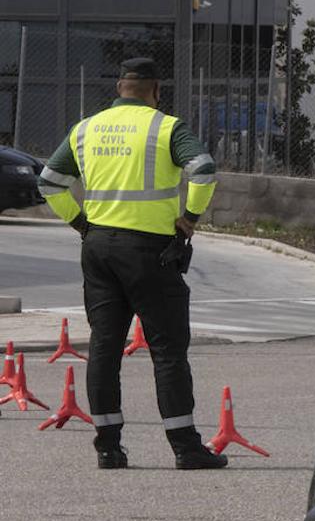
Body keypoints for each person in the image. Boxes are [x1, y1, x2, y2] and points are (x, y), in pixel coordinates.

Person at [37, 57, 227, 470]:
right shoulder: (166, 126)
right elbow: (204, 170)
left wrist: (80, 222)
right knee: (168, 350)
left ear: (120, 88)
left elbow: (48, 181)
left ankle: (108, 447)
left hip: (99, 247)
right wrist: (189, 220)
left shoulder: (86, 128)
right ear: (156, 90)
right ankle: (185, 448)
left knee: (104, 347)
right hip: (150, 252)